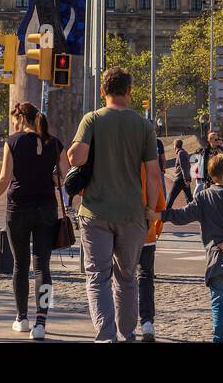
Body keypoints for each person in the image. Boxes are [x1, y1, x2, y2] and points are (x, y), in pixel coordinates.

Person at [67, 66, 163, 343]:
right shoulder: (144, 126)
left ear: (102, 91)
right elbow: (154, 175)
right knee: (127, 276)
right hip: (133, 212)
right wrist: (150, 210)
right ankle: (128, 331)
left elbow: (77, 159)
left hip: (96, 211)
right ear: (129, 92)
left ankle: (106, 335)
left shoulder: (92, 119)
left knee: (98, 276)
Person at [0, 102, 69, 341]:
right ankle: (41, 321)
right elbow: (66, 172)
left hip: (18, 209)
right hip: (46, 210)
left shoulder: (14, 141)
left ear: (20, 118)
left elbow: (3, 179)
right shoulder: (54, 142)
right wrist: (50, 178)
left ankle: (21, 318)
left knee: (20, 266)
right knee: (43, 267)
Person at [159, 152, 223, 343]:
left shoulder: (203, 197)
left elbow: (182, 216)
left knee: (219, 301)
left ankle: (219, 337)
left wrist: (159, 215)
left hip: (215, 259)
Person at [135, 135, 167, 341]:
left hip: (119, 227)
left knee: (122, 276)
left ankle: (124, 321)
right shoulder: (150, 165)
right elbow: (160, 204)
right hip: (145, 229)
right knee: (145, 276)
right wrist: (155, 228)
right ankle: (147, 322)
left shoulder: (120, 162)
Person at [167, 139, 192, 208]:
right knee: (189, 198)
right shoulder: (184, 152)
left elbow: (184, 167)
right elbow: (188, 166)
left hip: (181, 179)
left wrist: (186, 179)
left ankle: (165, 212)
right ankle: (193, 211)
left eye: (173, 145)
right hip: (184, 178)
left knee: (171, 196)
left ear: (175, 146)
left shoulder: (181, 153)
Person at [197, 131, 223, 196]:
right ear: (210, 140)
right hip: (209, 176)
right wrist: (203, 176)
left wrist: (221, 153)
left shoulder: (220, 150)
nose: (217, 141)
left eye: (218, 139)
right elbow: (202, 164)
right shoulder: (206, 151)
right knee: (209, 194)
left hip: (219, 176)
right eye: (216, 139)